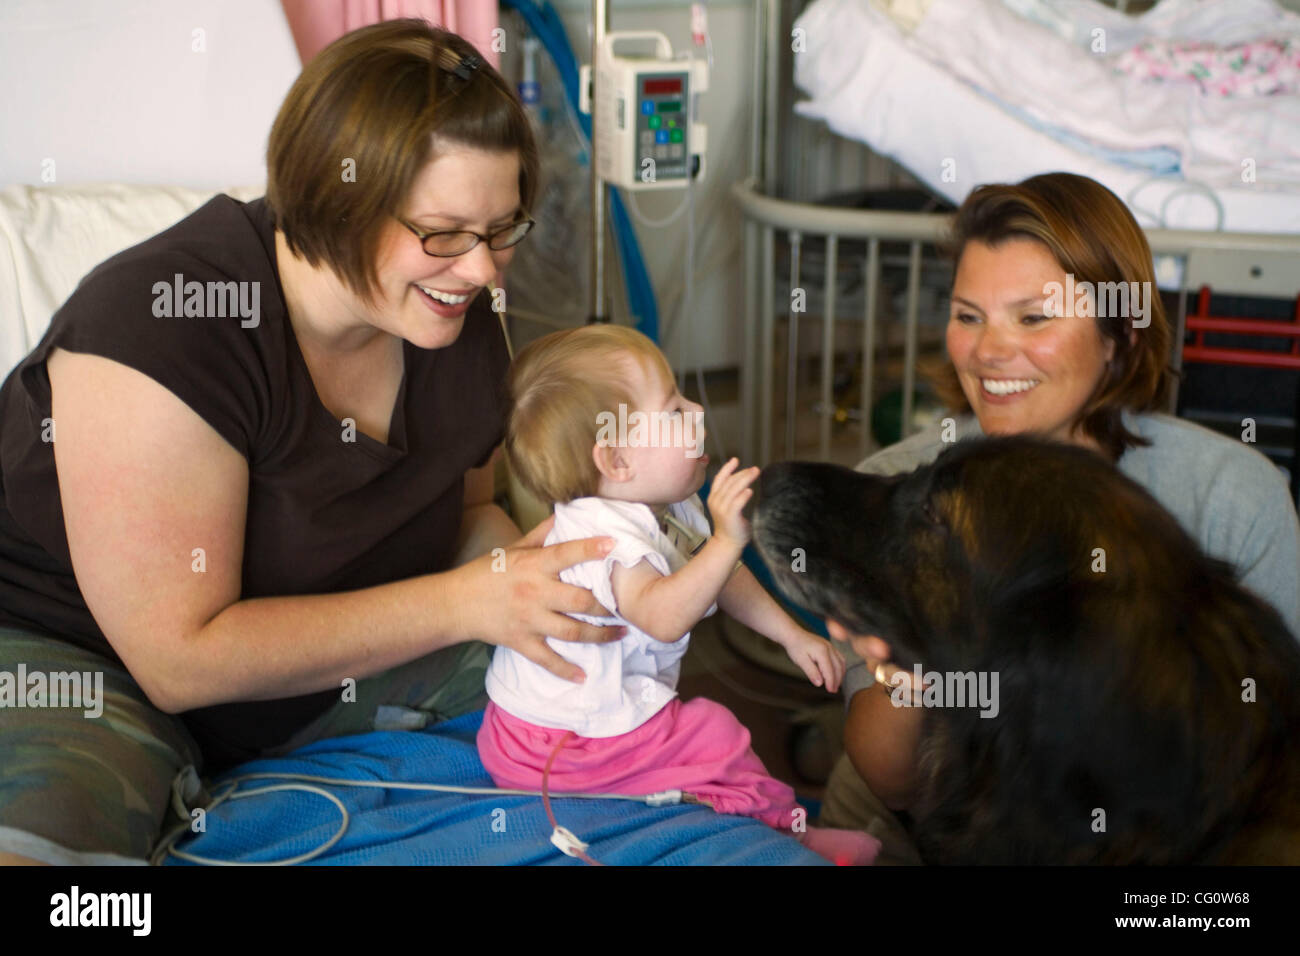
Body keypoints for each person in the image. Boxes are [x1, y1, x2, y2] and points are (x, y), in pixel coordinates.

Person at [0, 21, 627, 866]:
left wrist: (549, 580)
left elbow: (467, 513)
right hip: (79, 653)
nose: (483, 272)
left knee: (617, 694)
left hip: (322, 653)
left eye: (501, 229)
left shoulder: (459, 320)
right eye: (442, 233)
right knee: (54, 848)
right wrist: (472, 600)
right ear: (339, 201)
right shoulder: (165, 324)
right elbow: (179, 662)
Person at [816, 171, 1300, 864]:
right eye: (968, 315)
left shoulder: (1230, 496)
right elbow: (894, 784)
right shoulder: (895, 491)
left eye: (1033, 318)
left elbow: (1270, 765)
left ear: (1118, 337)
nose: (987, 352)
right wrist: (915, 658)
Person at [476, 324, 880, 865]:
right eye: (673, 411)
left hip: (534, 728)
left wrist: (790, 633)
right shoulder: (606, 538)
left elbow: (719, 573)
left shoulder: (664, 505)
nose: (698, 412)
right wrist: (728, 539)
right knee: (717, 737)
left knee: (701, 735)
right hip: (561, 745)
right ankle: (788, 832)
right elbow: (664, 614)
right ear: (616, 461)